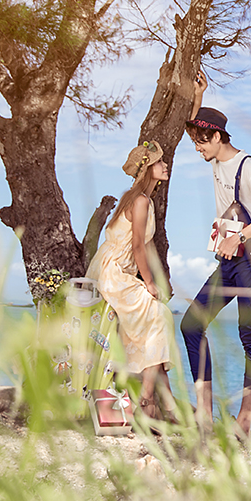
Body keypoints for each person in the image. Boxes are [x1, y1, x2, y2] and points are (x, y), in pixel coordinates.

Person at [181, 74, 251, 436]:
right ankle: (204, 415)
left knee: (250, 335)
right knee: (191, 323)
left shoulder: (249, 166)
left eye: (201, 141)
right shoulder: (215, 160)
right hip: (229, 256)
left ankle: (245, 423)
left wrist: (238, 235)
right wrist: (198, 96)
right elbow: (199, 133)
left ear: (219, 137)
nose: (196, 148)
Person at [85, 140, 179, 424]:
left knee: (155, 321)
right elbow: (138, 246)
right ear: (149, 169)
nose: (165, 166)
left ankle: (166, 405)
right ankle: (147, 401)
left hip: (116, 271)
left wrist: (160, 281)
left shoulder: (138, 199)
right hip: (113, 272)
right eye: (160, 162)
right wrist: (149, 284)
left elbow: (147, 246)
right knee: (159, 315)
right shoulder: (139, 201)